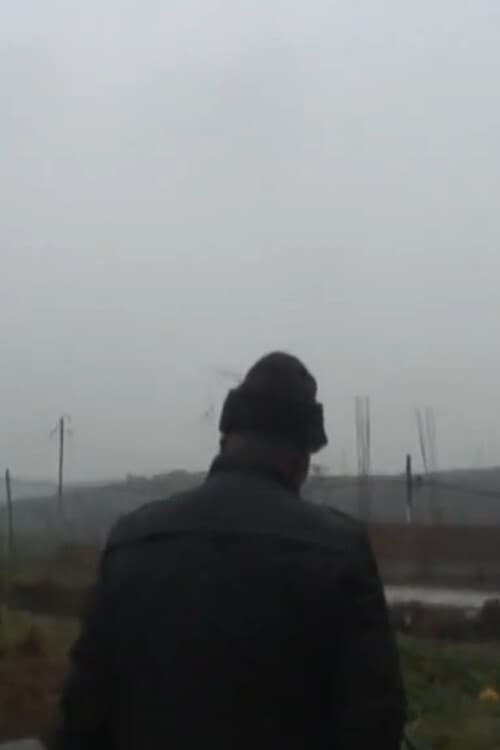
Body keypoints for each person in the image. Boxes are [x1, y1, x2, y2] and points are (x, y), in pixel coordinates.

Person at [49, 352, 405, 749]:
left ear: (225, 442)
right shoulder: (340, 551)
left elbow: (81, 717)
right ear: (300, 457)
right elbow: (374, 725)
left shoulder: (131, 540)